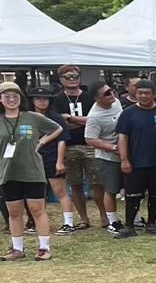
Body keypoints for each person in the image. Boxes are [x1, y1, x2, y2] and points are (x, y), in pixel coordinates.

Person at [1, 80, 63, 261]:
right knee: (14, 211)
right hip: (7, 172)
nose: (11, 100)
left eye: (15, 96)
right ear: (1, 99)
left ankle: (44, 248)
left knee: (37, 209)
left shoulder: (32, 117)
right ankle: (17, 249)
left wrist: (42, 142)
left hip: (32, 170)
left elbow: (57, 128)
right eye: (7, 96)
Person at [115, 79, 156, 238]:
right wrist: (124, 159)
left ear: (153, 95)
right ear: (135, 94)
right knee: (133, 195)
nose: (143, 96)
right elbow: (122, 138)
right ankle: (129, 226)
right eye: (140, 93)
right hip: (136, 162)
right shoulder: (128, 113)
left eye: (147, 93)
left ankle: (151, 223)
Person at [56, 65, 102, 231]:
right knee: (75, 184)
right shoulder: (57, 99)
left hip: (90, 143)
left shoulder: (89, 97)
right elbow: (60, 125)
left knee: (97, 182)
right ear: (61, 79)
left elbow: (94, 120)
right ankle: (84, 218)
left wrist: (70, 118)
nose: (72, 79)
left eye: (75, 76)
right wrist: (80, 121)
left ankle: (104, 216)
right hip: (69, 146)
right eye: (68, 77)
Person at [83, 83, 125, 233]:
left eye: (111, 90)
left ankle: (136, 218)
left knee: (130, 187)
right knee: (111, 190)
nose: (112, 94)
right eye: (107, 93)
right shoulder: (95, 116)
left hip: (124, 154)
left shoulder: (116, 103)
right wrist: (114, 148)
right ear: (97, 98)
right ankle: (113, 222)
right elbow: (90, 139)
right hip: (107, 157)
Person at [28, 89, 69, 233]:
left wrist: (60, 161)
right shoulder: (27, 117)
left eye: (45, 98)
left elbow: (62, 140)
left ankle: (68, 224)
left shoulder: (56, 117)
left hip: (52, 157)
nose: (41, 101)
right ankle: (36, 223)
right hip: (32, 159)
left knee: (60, 191)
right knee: (37, 193)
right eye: (38, 98)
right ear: (32, 100)